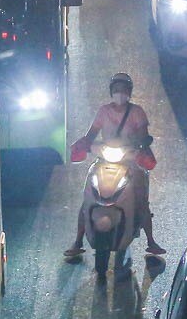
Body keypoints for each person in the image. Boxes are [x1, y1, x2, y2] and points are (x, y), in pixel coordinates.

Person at [66, 72, 162, 258]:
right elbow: (91, 133)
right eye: (117, 90)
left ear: (129, 92)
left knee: (141, 200)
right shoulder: (103, 111)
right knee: (88, 198)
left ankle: (151, 241)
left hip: (130, 159)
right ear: (111, 91)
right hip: (104, 159)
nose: (120, 93)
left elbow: (143, 135)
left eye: (124, 90)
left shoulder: (137, 112)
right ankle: (78, 241)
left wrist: (141, 143)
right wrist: (84, 144)